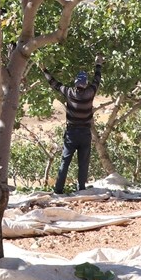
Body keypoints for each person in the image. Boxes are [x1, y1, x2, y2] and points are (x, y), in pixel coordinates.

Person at [39, 55, 104, 194]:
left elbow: (54, 83)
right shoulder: (90, 92)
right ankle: (81, 188)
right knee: (83, 163)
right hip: (85, 133)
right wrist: (98, 63)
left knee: (65, 161)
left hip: (71, 133)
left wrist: (44, 69)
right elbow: (97, 79)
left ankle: (58, 189)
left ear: (75, 83)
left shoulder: (69, 92)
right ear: (85, 83)